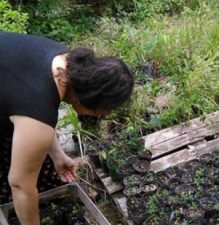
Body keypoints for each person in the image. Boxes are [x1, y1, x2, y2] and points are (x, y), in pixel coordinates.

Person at [0, 32, 134, 225]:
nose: (104, 116)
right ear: (92, 98)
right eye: (105, 110)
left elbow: (36, 115)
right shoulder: (38, 103)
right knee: (18, 186)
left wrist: (58, 155)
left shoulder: (65, 61)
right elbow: (20, 184)